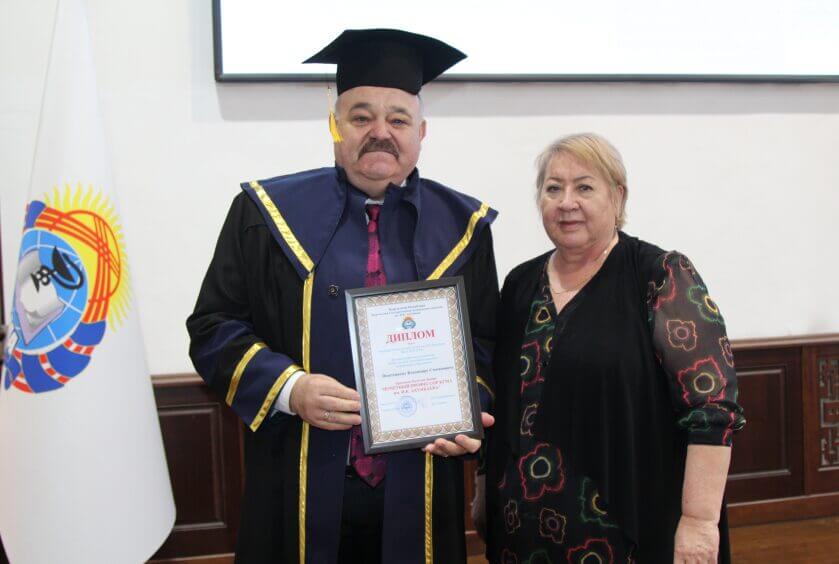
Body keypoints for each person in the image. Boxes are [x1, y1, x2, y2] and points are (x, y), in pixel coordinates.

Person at [187, 29, 498, 564]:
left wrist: (466, 410)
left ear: (421, 132)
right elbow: (213, 328)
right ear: (334, 125)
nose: (380, 133)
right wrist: (290, 389)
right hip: (297, 478)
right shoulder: (264, 215)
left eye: (398, 119)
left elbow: (487, 346)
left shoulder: (464, 228)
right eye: (361, 117)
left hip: (421, 481)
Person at [480, 133, 745, 563]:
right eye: (553, 188)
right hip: (523, 532)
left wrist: (699, 521)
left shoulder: (659, 275)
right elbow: (501, 400)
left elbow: (712, 410)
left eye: (584, 187)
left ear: (617, 196)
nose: (567, 202)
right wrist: (483, 491)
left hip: (627, 527)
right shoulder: (519, 284)